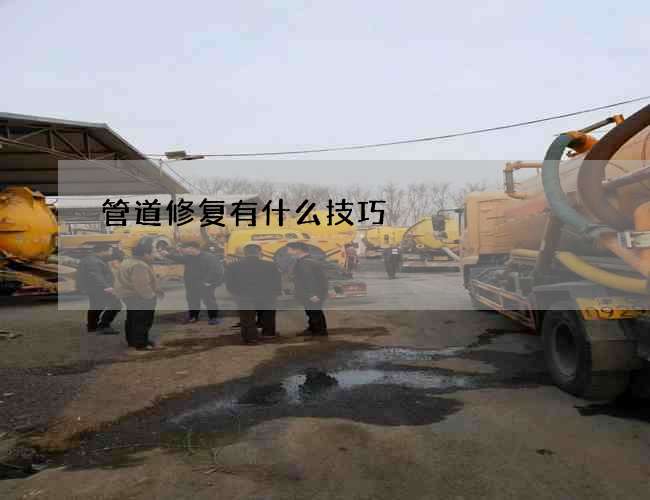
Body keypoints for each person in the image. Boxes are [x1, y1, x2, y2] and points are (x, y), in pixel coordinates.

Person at [225, 244, 281, 344]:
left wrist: (235, 293)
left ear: (244, 253)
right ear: (259, 253)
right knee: (268, 314)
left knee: (247, 317)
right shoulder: (270, 265)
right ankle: (268, 334)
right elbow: (276, 281)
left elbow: (229, 283)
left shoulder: (233, 266)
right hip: (267, 295)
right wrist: (276, 293)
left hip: (244, 295)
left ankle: (250, 338)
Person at [115, 237, 163, 350]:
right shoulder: (139, 265)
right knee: (143, 320)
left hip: (129, 296)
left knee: (133, 319)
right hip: (139, 297)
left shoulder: (127, 261)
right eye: (153, 252)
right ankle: (141, 343)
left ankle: (133, 341)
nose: (155, 255)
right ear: (145, 254)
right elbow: (142, 286)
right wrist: (151, 297)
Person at [165, 241, 223, 325]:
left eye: (185, 249)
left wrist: (208, 281)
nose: (184, 251)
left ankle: (213, 318)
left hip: (205, 284)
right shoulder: (189, 257)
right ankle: (193, 317)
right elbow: (179, 258)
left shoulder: (209, 257)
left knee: (209, 301)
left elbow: (216, 270)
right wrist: (167, 254)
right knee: (192, 301)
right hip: (191, 284)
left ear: (192, 248)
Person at [76, 243, 122, 334]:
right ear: (102, 251)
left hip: (95, 288)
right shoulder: (93, 261)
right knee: (116, 305)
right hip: (99, 289)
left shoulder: (92, 259)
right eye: (110, 251)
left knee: (96, 306)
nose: (111, 253)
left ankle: (92, 326)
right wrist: (107, 287)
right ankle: (104, 326)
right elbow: (96, 276)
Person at [286, 242, 329, 337]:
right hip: (312, 292)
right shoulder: (307, 261)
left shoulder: (305, 262)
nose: (288, 252)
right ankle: (313, 329)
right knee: (312, 312)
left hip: (312, 293)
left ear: (298, 250)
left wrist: (311, 294)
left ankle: (319, 333)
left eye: (289, 249)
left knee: (314, 312)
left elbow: (309, 279)